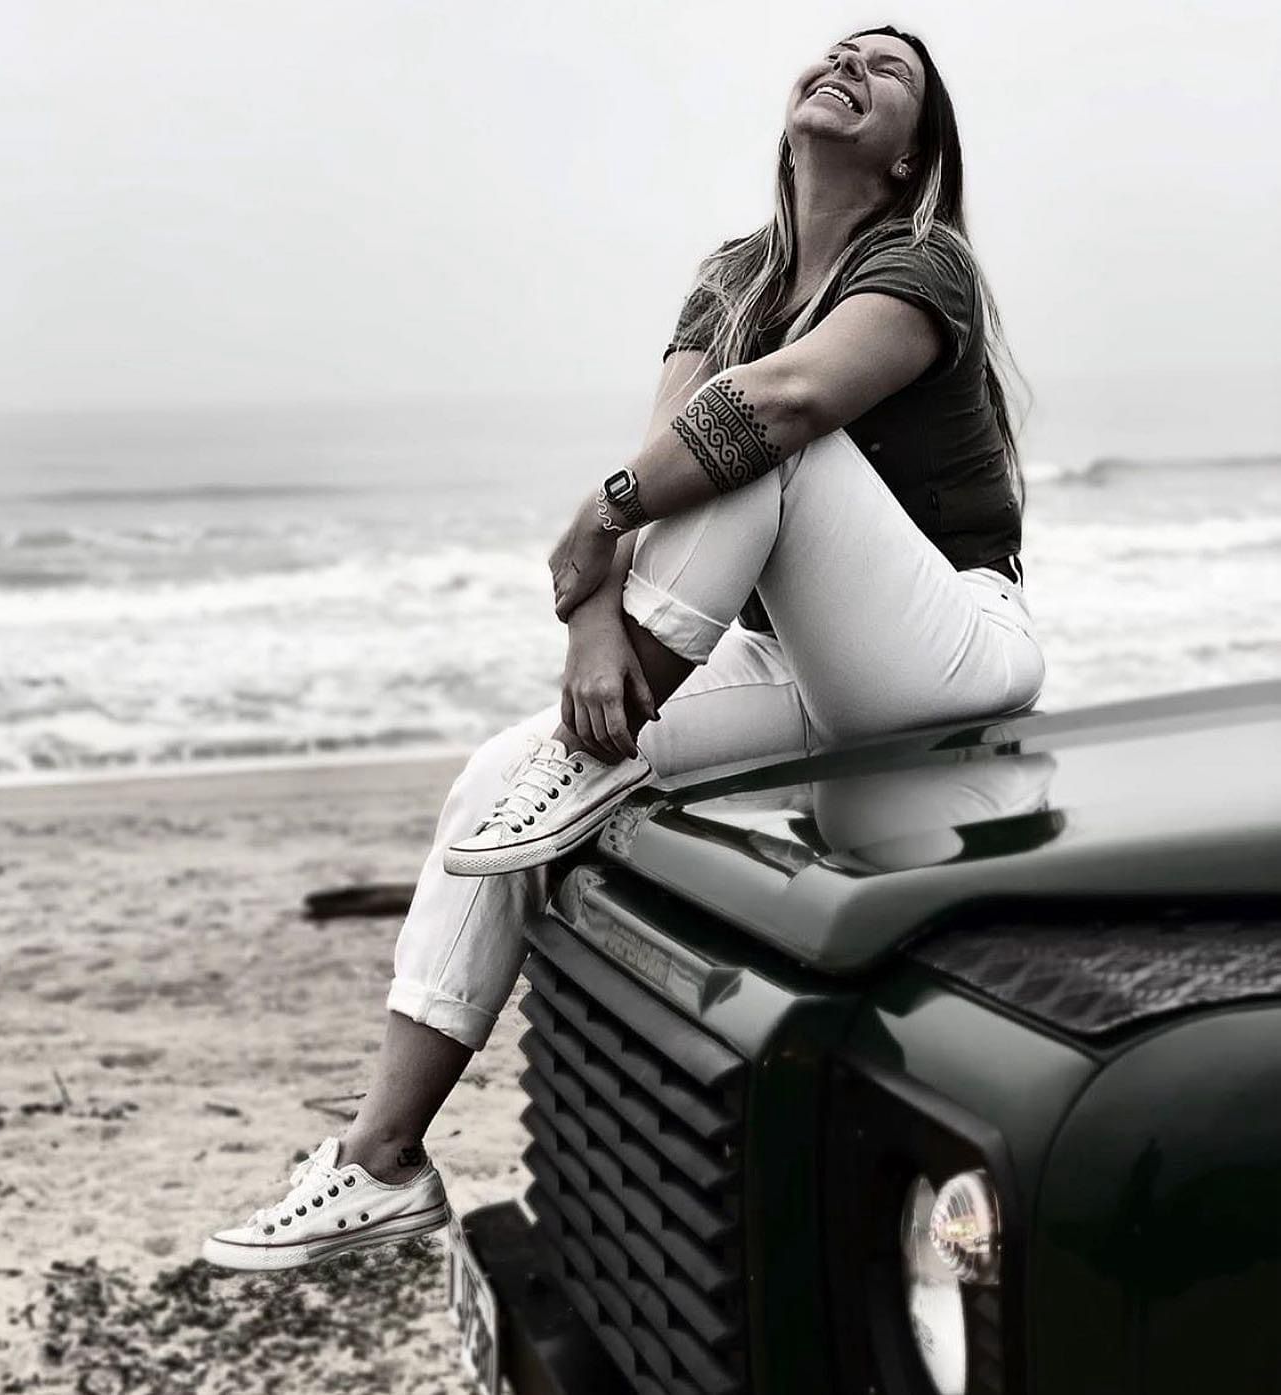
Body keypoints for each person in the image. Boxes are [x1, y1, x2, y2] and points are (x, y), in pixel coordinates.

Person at [201, 25, 1044, 1270]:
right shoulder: (730, 279)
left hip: (950, 659)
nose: (848, 64)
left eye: (888, 70)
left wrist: (595, 527)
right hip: (797, 670)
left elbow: (772, 412)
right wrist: (591, 612)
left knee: (769, 430)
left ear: (910, 145)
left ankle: (611, 751)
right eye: (836, 50)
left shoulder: (923, 263)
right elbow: (663, 474)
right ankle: (379, 1160)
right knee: (498, 774)